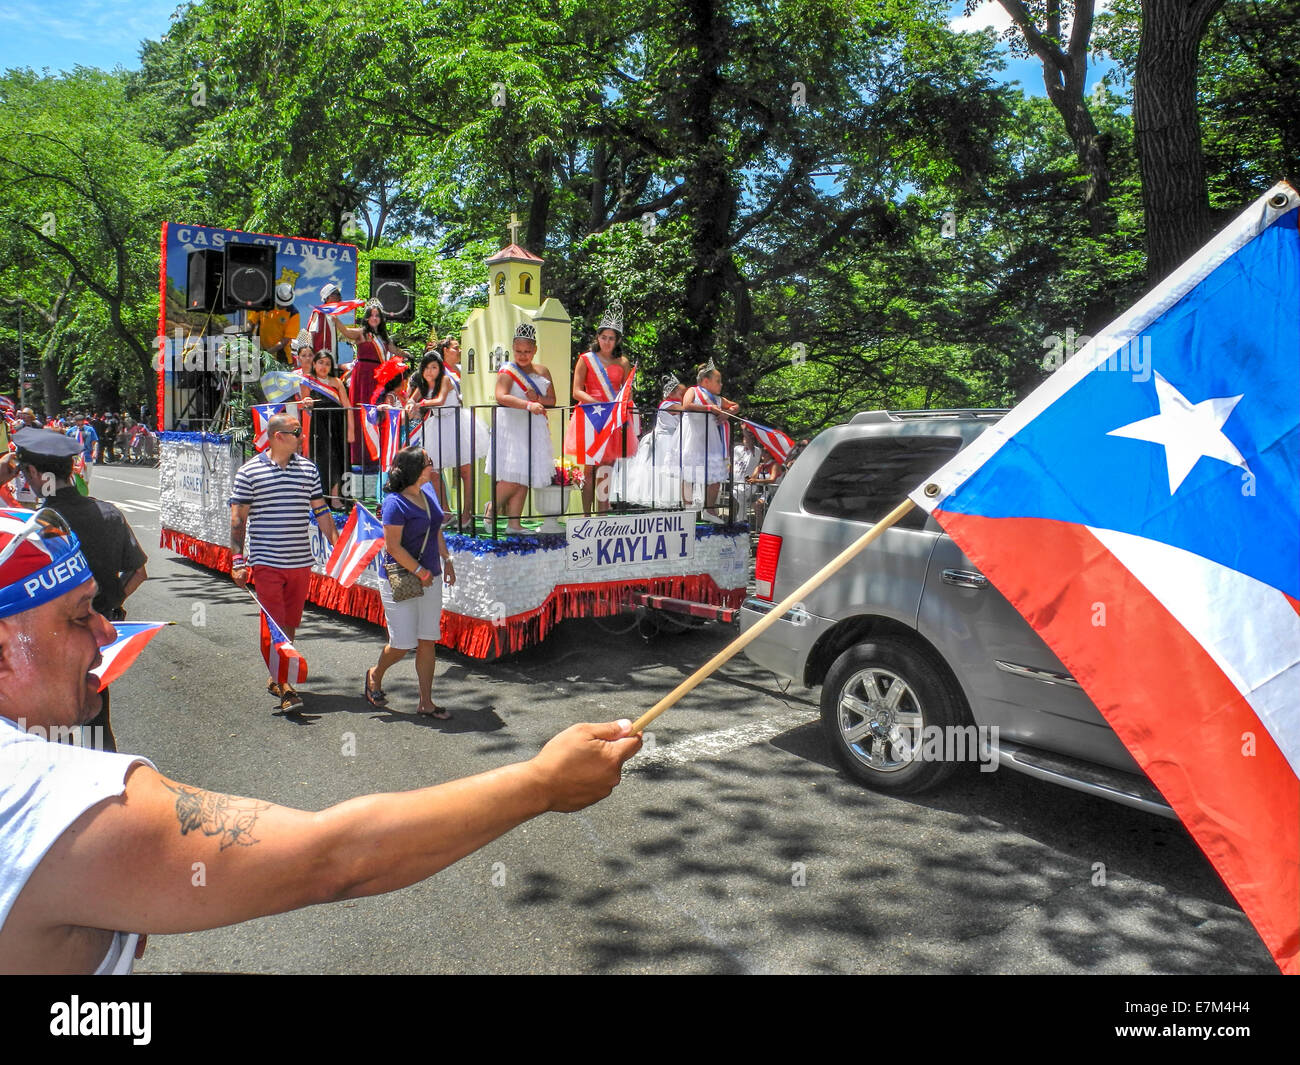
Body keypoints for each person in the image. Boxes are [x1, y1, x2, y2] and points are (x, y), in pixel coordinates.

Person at [0, 507, 642, 974]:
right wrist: (541, 783)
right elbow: (332, 857)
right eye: (78, 615)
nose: (108, 633)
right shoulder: (55, 800)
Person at [0, 428, 148, 754]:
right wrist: (108, 603)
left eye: (26, 471)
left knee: (54, 728)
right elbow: (138, 571)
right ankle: (106, 783)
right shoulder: (109, 513)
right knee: (97, 719)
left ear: (36, 474)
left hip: (45, 646)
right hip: (96, 638)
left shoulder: (32, 527)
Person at [229, 412, 339, 713]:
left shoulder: (308, 469)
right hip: (267, 562)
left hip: (300, 562)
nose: (302, 437)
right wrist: (238, 559)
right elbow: (238, 520)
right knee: (273, 625)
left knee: (290, 624)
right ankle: (287, 688)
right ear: (278, 436)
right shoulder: (249, 472)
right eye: (296, 432)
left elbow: (321, 511)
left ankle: (278, 675)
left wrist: (337, 544)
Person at [366, 446, 456, 717]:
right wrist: (421, 572)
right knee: (403, 642)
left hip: (430, 576)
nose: (433, 466)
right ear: (416, 469)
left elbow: (435, 528)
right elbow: (393, 547)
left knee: (428, 639)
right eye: (429, 462)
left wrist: (446, 559)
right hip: (402, 578)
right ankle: (375, 673)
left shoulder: (428, 491)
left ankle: (426, 702)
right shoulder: (395, 502)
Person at [565, 302, 636, 516]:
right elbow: (576, 391)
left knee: (607, 469)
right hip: (590, 415)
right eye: (603, 337)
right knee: (589, 469)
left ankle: (603, 514)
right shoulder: (586, 359)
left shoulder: (623, 362)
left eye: (611, 338)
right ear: (597, 338)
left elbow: (627, 392)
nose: (606, 342)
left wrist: (622, 407)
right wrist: (597, 404)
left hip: (612, 417)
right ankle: (586, 516)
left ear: (617, 340)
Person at [485, 323, 556, 535]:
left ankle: (514, 524)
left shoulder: (543, 370)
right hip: (513, 424)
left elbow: (552, 399)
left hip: (534, 425)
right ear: (513, 349)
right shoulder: (507, 371)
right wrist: (528, 404)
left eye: (527, 351)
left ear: (534, 350)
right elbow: (501, 396)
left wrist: (539, 399)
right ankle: (491, 507)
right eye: (518, 351)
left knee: (526, 472)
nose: (523, 355)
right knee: (512, 474)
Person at [340, 299, 406, 467]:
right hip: (362, 375)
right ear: (367, 317)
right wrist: (334, 318)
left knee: (377, 411)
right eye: (371, 315)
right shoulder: (362, 333)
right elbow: (345, 332)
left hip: (378, 377)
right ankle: (359, 456)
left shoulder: (384, 338)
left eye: (377, 316)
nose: (374, 318)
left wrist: (409, 356)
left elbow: (396, 351)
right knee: (361, 412)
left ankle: (376, 454)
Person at [680, 361, 739, 518]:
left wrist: (727, 413)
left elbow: (735, 406)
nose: (721, 384)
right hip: (693, 438)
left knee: (715, 476)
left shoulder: (718, 399)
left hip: (711, 440)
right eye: (718, 381)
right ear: (706, 381)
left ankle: (709, 509)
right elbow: (687, 405)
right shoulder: (693, 391)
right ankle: (688, 507)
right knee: (689, 475)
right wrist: (708, 408)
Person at [616, 376, 685, 508]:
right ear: (671, 393)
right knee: (662, 470)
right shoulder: (668, 404)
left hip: (674, 439)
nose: (683, 396)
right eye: (681, 393)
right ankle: (661, 502)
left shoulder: (675, 404)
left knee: (672, 473)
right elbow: (684, 409)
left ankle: (672, 502)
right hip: (666, 440)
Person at [303, 350, 351, 509]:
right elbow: (304, 405)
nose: (324, 367)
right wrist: (307, 402)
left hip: (338, 425)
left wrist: (351, 429)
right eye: (321, 362)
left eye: (327, 363)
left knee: (339, 459)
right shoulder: (307, 381)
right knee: (324, 460)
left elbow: (347, 406)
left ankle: (337, 497)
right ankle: (321, 497)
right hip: (318, 426)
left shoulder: (337, 382)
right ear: (314, 364)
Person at [245, 282, 301, 365]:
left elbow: (285, 341)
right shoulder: (264, 304)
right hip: (260, 350)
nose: (282, 306)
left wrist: (267, 353)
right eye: (280, 303)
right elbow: (251, 321)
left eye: (285, 304)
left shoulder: (293, 313)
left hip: (281, 357)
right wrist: (247, 334)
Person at [731, 424, 760, 522]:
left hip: (748, 484)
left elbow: (750, 444)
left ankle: (741, 520)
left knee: (738, 495)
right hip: (735, 483)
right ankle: (741, 520)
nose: (746, 439)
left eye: (749, 437)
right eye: (745, 437)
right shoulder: (737, 449)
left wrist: (744, 429)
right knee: (738, 498)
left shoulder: (756, 450)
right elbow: (729, 462)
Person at [65, 414, 99, 485]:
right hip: (75, 457)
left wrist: (95, 451)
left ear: (84, 421)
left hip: (87, 456)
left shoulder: (90, 430)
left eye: (81, 423)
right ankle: (78, 493)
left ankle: (84, 493)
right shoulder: (70, 431)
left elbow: (94, 441)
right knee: (77, 477)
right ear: (75, 422)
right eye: (78, 423)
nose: (80, 425)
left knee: (86, 477)